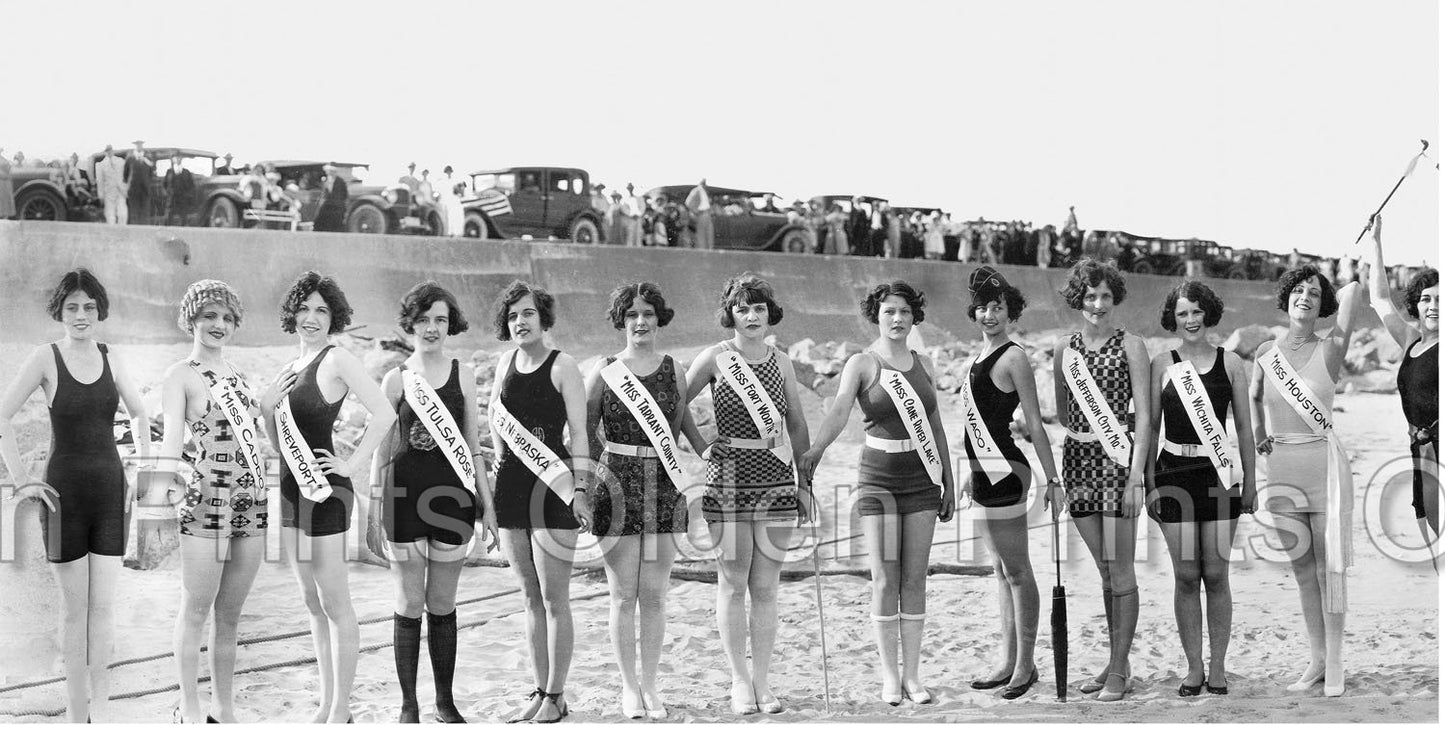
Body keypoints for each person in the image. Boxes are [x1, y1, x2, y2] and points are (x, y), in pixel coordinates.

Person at [0, 269, 152, 723]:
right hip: (62, 497)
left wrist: (144, 468)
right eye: (72, 308)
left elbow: (141, 414)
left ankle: (101, 712)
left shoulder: (112, 356)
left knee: (103, 611)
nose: (81, 315)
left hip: (109, 494)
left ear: (99, 309)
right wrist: (22, 478)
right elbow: (2, 416)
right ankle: (75, 712)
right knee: (74, 613)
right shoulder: (45, 358)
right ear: (60, 312)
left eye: (89, 307)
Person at [800, 281, 955, 705]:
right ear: (877, 315)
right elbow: (838, 410)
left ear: (913, 316)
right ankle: (890, 676)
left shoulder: (924, 364)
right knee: (885, 578)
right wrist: (816, 449)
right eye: (889, 311)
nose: (898, 318)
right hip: (878, 478)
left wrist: (949, 480)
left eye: (905, 311)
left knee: (915, 578)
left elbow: (936, 424)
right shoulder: (862, 363)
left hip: (923, 477)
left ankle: (913, 675)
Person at [262, 271, 398, 723]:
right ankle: (325, 704)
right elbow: (278, 441)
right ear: (292, 314)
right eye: (303, 308)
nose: (312, 317)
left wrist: (351, 465)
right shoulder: (289, 368)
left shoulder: (337, 359)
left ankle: (342, 709)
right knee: (311, 602)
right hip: (288, 490)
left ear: (333, 316)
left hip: (325, 492)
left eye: (321, 309)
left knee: (336, 602)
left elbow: (384, 413)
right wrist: (265, 408)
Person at [367, 282, 498, 723]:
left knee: (442, 603)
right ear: (411, 323)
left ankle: (445, 701)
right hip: (403, 497)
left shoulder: (461, 373)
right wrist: (370, 511)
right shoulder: (395, 378)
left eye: (440, 319)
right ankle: (409, 706)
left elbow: (474, 446)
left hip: (452, 499)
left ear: (451, 324)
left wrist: (489, 507)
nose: (431, 328)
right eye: (423, 319)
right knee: (407, 601)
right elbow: (382, 450)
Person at [682, 273, 813, 715]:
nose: (751, 316)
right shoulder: (716, 358)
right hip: (729, 479)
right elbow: (674, 404)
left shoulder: (781, 360)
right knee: (733, 583)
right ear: (730, 315)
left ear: (768, 312)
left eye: (758, 308)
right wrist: (701, 446)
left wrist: (805, 483)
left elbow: (796, 423)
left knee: (767, 586)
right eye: (742, 309)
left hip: (776, 478)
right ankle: (740, 680)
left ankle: (763, 682)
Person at [160, 280, 278, 723]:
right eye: (209, 315)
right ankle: (190, 709)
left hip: (251, 501)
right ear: (191, 318)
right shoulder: (181, 375)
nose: (218, 325)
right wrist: (158, 502)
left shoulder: (238, 378)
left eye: (227, 318)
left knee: (230, 616)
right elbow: (172, 443)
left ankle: (223, 711)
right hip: (207, 500)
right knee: (195, 610)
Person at [583, 283, 702, 720]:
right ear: (621, 320)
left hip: (664, 488)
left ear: (659, 318)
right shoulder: (605, 369)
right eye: (632, 314)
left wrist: (707, 450)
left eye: (648, 313)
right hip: (616, 485)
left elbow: (681, 423)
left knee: (654, 595)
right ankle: (628, 688)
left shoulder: (675, 370)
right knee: (622, 595)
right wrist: (595, 478)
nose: (640, 321)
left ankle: (651, 685)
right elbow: (584, 431)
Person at [1250, 264, 1363, 698]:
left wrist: (1357, 257)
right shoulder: (1264, 352)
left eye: (1314, 294)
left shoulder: (1331, 347)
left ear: (1322, 305)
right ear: (1286, 298)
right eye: (1297, 291)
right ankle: (1316, 658)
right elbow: (1255, 396)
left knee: (1329, 569)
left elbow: (1352, 298)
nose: (1304, 298)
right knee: (1302, 569)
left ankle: (1335, 659)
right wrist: (1261, 438)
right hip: (1282, 472)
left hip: (1323, 467)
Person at [952, 267, 1061, 700]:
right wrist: (967, 472)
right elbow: (977, 422)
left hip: (1007, 474)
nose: (989, 313)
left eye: (997, 306)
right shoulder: (976, 357)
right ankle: (1008, 659)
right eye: (982, 306)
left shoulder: (1013, 356)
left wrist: (1053, 479)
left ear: (1009, 311)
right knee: (1000, 571)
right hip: (982, 473)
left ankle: (1026, 665)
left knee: (1017, 571)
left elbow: (1033, 423)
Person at [1146, 281, 1257, 697]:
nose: (1190, 320)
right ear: (1172, 319)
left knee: (1216, 574)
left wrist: (1250, 481)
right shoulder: (1162, 363)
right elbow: (1151, 428)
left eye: (1196, 311)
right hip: (1173, 473)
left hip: (1219, 476)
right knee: (1186, 576)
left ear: (1208, 313)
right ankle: (1194, 667)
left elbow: (1244, 428)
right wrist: (1149, 483)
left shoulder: (1231, 364)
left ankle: (1219, 668)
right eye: (1182, 314)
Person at [487, 281, 590, 723]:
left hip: (555, 487)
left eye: (527, 313)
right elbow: (494, 415)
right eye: (512, 316)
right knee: (529, 596)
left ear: (542, 318)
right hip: (511, 485)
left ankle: (556, 694)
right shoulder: (504, 362)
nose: (520, 322)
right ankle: (539, 690)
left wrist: (582, 490)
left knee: (554, 598)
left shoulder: (563, 364)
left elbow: (581, 433)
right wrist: (497, 468)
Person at [1052, 258, 1152, 701]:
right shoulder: (1063, 349)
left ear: (1116, 299)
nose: (1098, 304)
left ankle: (1117, 672)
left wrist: (1136, 479)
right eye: (1090, 296)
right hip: (1077, 461)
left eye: (1106, 296)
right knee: (1103, 571)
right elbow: (1062, 408)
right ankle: (1119, 662)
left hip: (1118, 462)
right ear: (1078, 298)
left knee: (1121, 569)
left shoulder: (1131, 344)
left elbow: (1146, 417)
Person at [1366, 215, 1438, 541]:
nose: (1433, 306)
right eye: (1426, 298)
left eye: (1441, 298)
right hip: (1420, 455)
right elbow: (1379, 298)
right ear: (1415, 305)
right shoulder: (1411, 341)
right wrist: (1376, 241)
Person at [124, 140, 154, 225]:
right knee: (134, 210)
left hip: (145, 188)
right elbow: (125, 174)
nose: (139, 147)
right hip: (133, 189)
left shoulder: (148, 158)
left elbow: (151, 173)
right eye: (137, 145)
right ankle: (135, 227)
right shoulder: (130, 158)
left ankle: (145, 227)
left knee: (145, 210)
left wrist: (147, 182)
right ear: (135, 146)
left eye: (140, 145)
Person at [96, 145, 128, 224]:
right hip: (108, 191)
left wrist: (125, 188)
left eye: (110, 150)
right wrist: (100, 194)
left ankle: (122, 229)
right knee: (110, 213)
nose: (109, 152)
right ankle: (112, 230)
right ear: (105, 152)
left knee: (122, 213)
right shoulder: (100, 165)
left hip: (120, 190)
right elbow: (100, 181)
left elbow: (125, 175)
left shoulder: (121, 161)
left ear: (113, 151)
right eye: (107, 151)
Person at [313, 165, 349, 233]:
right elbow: (325, 193)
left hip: (337, 204)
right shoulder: (327, 180)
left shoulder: (340, 181)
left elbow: (344, 194)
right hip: (328, 203)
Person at [163, 153, 196, 226]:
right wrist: (167, 193)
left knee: (183, 213)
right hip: (171, 196)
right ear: (173, 159)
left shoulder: (186, 172)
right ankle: (168, 227)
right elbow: (165, 184)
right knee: (169, 213)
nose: (178, 159)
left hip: (183, 196)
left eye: (179, 157)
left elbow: (191, 185)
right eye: (176, 157)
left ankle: (182, 227)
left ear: (181, 159)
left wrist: (188, 194)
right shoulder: (169, 171)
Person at [685, 178, 714, 250]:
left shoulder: (704, 191)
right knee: (702, 236)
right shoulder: (697, 190)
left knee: (709, 235)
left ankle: (709, 252)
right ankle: (702, 253)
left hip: (707, 214)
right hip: (702, 214)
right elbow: (688, 203)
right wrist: (696, 211)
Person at [438, 166, 465, 236]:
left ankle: (455, 232)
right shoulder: (442, 181)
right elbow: (441, 191)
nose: (448, 173)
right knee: (446, 216)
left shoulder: (455, 181)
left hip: (453, 200)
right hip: (445, 200)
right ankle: (447, 232)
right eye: (447, 171)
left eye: (449, 171)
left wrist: (460, 193)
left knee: (454, 216)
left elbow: (461, 189)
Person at [0, 147, 15, 219]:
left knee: (4, 199)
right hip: (2, 180)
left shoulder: (4, 160)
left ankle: (4, 214)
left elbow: (9, 170)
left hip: (5, 182)